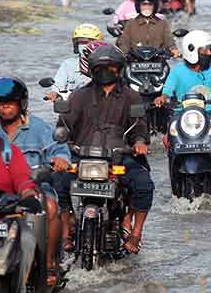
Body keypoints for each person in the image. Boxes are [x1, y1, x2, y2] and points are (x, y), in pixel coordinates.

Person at [51, 45, 154, 254]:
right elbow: (64, 126)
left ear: (119, 69)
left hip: (119, 157)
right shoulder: (79, 96)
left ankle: (134, 230)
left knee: (144, 185)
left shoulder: (131, 97)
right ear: (92, 69)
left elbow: (139, 127)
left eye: (111, 67)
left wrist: (140, 143)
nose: (106, 71)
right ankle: (66, 227)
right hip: (83, 156)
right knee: (57, 182)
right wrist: (61, 142)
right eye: (100, 67)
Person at [0, 77, 72, 284]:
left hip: (34, 186)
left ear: (21, 104)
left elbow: (59, 148)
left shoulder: (38, 127)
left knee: (51, 206)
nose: (4, 107)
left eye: (9, 103)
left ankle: (51, 263)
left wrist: (61, 159)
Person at [154, 30, 211, 193]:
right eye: (205, 49)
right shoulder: (177, 72)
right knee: (166, 139)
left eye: (210, 49)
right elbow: (167, 90)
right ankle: (174, 173)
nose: (209, 53)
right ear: (192, 50)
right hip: (181, 118)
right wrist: (162, 98)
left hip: (209, 116)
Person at [116, 0, 180, 56]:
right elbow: (124, 40)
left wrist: (173, 49)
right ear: (138, 6)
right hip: (136, 60)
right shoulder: (131, 23)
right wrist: (123, 52)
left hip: (157, 60)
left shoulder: (162, 23)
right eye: (144, 5)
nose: (147, 8)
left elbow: (168, 38)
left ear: (154, 6)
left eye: (150, 5)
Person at [51, 23, 103, 99]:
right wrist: (54, 93)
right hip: (73, 104)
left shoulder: (105, 64)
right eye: (81, 42)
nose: (85, 45)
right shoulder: (68, 65)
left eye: (88, 42)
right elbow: (58, 86)